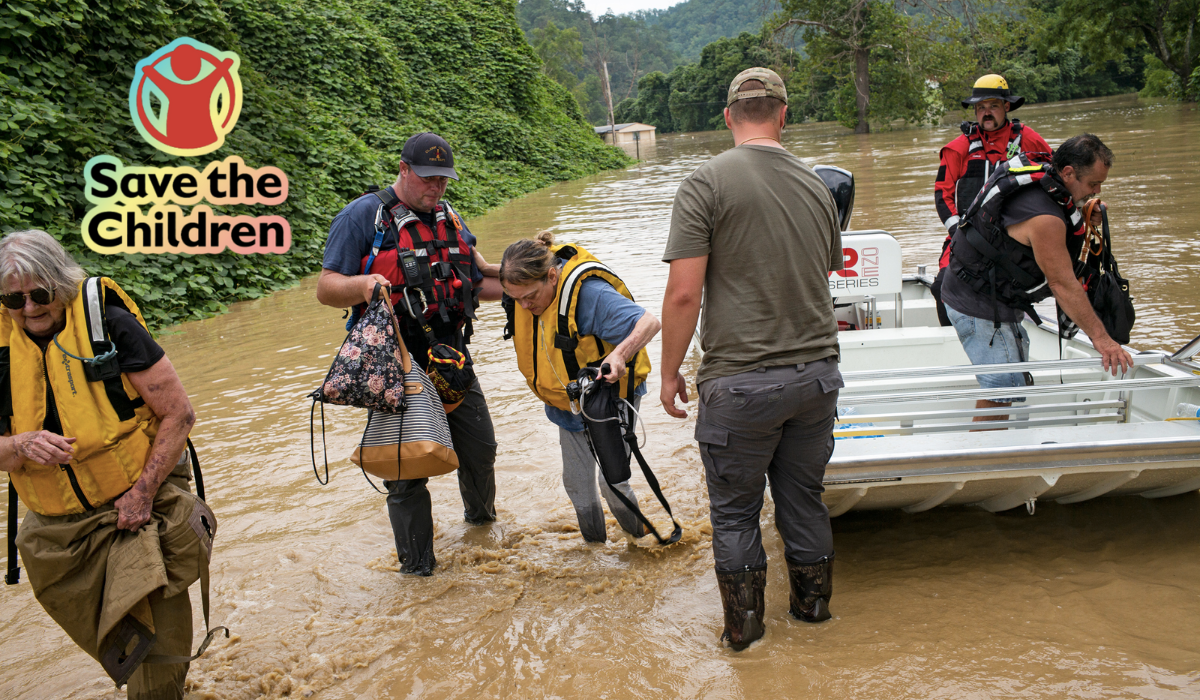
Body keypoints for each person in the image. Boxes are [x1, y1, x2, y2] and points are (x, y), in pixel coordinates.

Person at [659, 68, 845, 651]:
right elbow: (826, 270)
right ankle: (814, 617)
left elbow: (685, 293)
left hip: (741, 383)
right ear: (783, 114)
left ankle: (745, 638)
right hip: (816, 377)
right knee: (803, 501)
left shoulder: (704, 183)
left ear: (728, 117)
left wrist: (668, 374)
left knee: (737, 516)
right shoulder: (819, 186)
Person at [0, 230, 217, 698]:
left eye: (40, 295)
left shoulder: (109, 323)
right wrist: (19, 444)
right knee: (118, 641)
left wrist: (141, 493)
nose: (30, 309)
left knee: (159, 647)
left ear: (61, 283)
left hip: (138, 508)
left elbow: (178, 413)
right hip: (58, 533)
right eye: (14, 299)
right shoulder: (1, 347)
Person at [317, 132, 501, 576]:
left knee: (481, 450)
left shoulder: (449, 217)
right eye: (427, 178)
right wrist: (362, 286)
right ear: (403, 170)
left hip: (451, 360)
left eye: (443, 180)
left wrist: (534, 286)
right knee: (405, 472)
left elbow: (477, 280)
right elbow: (326, 287)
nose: (436, 188)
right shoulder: (365, 216)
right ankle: (418, 573)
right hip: (396, 365)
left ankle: (482, 531)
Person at [940, 133, 1134, 425]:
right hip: (977, 303)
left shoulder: (1044, 174)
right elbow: (1062, 284)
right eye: (1093, 184)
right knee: (1001, 388)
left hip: (975, 286)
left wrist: (1082, 208)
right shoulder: (1046, 219)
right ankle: (981, 463)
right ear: (1068, 172)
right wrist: (1103, 340)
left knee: (1009, 383)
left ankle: (993, 449)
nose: (1096, 192)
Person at [498, 232, 659, 543]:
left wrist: (620, 353)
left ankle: (642, 544)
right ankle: (594, 550)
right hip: (568, 401)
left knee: (612, 482)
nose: (524, 304)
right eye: (516, 298)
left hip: (607, 397)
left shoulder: (589, 295)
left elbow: (649, 322)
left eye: (530, 296)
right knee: (577, 484)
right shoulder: (522, 290)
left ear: (552, 276)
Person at [932, 74, 1052, 326]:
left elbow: (1056, 178)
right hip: (965, 234)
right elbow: (942, 194)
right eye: (981, 108)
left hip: (1014, 236)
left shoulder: (1029, 140)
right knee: (942, 287)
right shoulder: (958, 148)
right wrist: (957, 231)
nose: (986, 113)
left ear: (1006, 107)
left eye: (993, 106)